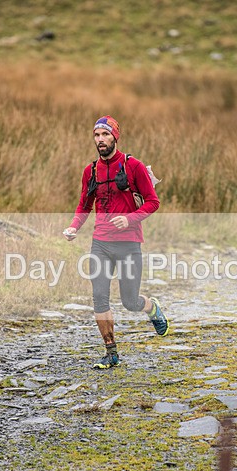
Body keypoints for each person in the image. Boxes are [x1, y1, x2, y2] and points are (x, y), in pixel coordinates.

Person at [63, 115, 169, 369]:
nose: (100, 140)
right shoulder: (90, 171)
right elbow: (84, 204)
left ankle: (152, 307)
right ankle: (111, 354)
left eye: (105, 135)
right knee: (99, 297)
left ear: (115, 137)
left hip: (129, 244)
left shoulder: (134, 166)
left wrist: (130, 219)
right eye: (97, 135)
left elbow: (153, 202)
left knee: (130, 302)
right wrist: (74, 226)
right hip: (100, 243)